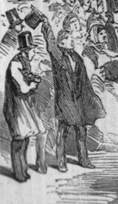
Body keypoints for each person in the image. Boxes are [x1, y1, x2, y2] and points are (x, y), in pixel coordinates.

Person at [39, 15, 103, 170]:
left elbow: (83, 80)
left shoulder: (76, 56)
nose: (72, 41)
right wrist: (47, 25)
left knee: (81, 131)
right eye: (69, 39)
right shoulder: (58, 55)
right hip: (65, 100)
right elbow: (51, 43)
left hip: (78, 100)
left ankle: (84, 160)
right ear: (62, 42)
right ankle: (61, 162)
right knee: (63, 131)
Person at [3, 31, 45, 182]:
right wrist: (33, 84)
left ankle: (23, 168)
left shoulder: (25, 62)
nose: (34, 51)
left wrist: (34, 78)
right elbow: (22, 88)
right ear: (26, 50)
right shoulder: (15, 63)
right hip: (16, 107)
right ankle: (18, 172)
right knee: (19, 139)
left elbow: (29, 76)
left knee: (26, 138)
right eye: (32, 49)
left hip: (24, 106)